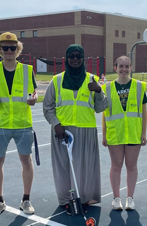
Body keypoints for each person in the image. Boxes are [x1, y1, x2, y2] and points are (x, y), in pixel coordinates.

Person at [43, 44, 107, 214]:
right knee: (63, 166)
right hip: (62, 131)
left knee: (85, 167)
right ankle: (66, 200)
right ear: (67, 58)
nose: (75, 59)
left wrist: (99, 91)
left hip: (86, 130)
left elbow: (101, 107)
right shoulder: (56, 80)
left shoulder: (92, 79)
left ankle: (84, 199)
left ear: (83, 58)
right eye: (72, 56)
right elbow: (47, 106)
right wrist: (56, 124)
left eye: (79, 56)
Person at [0, 32, 38, 216]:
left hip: (22, 123)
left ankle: (26, 200)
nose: (9, 50)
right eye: (5, 47)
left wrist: (34, 99)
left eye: (12, 47)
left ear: (18, 49)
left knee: (26, 161)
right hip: (0, 124)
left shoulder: (27, 70)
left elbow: (34, 92)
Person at [101, 56, 147, 211]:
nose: (124, 69)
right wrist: (104, 134)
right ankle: (116, 198)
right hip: (115, 132)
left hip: (133, 132)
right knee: (116, 166)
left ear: (131, 68)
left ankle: (130, 198)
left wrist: (144, 133)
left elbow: (143, 111)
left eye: (127, 66)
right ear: (115, 68)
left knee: (131, 166)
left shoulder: (139, 86)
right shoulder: (107, 88)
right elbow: (104, 113)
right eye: (121, 66)